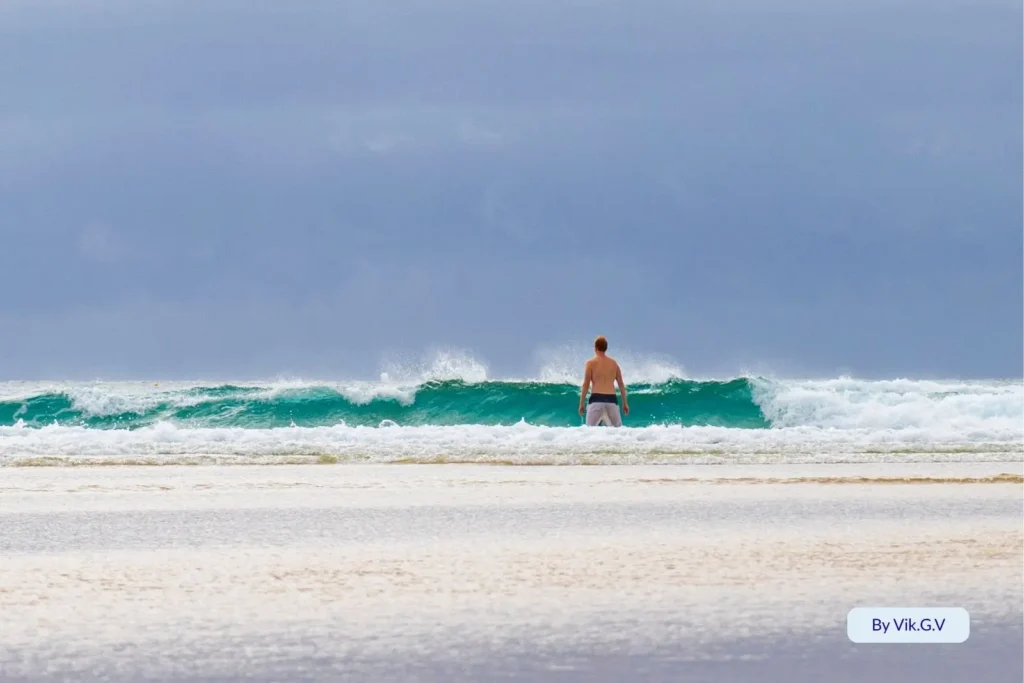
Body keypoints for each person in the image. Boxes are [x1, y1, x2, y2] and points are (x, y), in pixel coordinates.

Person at [578, 335, 629, 426]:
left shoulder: (590, 363)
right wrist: (625, 403)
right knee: (618, 431)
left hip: (596, 400)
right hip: (612, 400)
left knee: (589, 431)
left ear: (595, 348)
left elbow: (586, 384)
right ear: (606, 348)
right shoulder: (614, 363)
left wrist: (581, 404)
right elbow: (621, 384)